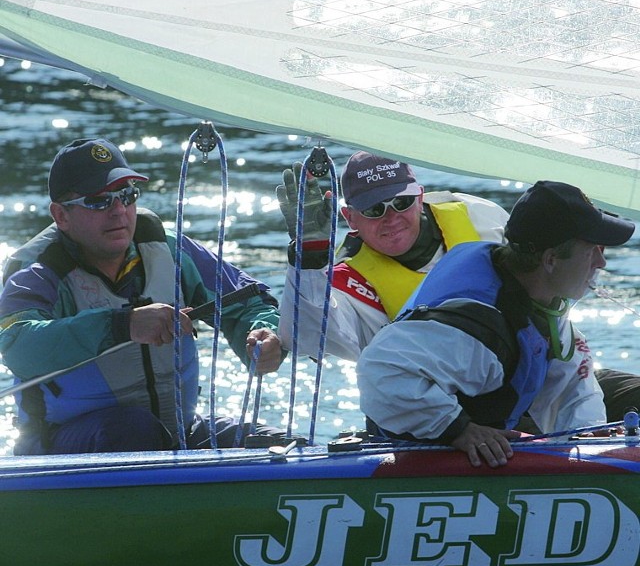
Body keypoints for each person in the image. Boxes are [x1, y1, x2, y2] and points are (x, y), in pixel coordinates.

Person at [0, 138, 286, 455]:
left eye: (127, 196)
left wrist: (263, 335)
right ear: (61, 215)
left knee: (283, 447)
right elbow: (15, 345)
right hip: (65, 446)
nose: (119, 211)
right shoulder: (40, 273)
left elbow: (249, 302)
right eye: (98, 201)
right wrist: (123, 325)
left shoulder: (171, 251)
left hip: (176, 430)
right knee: (133, 429)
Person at [356, 180, 636, 467]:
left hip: (497, 413)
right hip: (420, 454)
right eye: (592, 251)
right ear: (551, 259)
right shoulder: (478, 330)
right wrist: (459, 430)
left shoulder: (536, 291)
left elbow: (567, 384)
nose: (601, 263)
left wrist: (592, 439)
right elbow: (379, 371)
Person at [277, 151, 509, 360]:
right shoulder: (345, 281)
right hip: (441, 399)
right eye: (373, 209)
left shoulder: (478, 216)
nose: (391, 218)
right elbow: (305, 338)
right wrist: (309, 254)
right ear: (350, 218)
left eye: (401, 202)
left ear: (420, 198)